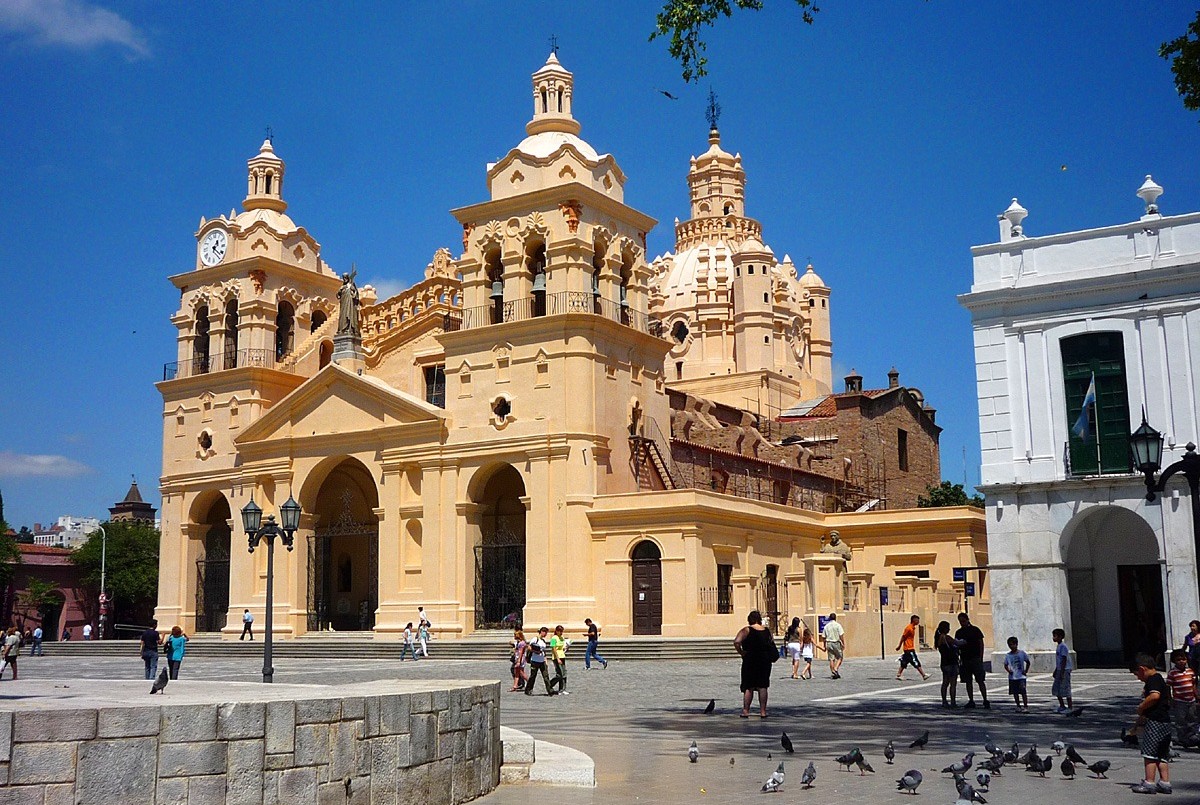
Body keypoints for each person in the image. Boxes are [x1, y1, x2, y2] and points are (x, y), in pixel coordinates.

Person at [1131, 652, 1173, 795]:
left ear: (1142, 669)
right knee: (1162, 754)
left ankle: (1149, 782)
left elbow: (1155, 696)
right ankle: (1165, 782)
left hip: (1155, 722)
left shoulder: (1153, 680)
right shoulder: (1160, 679)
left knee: (1150, 754)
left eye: (1137, 674)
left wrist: (1142, 706)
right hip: (1165, 722)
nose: (1138, 678)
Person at [734, 610, 778, 717]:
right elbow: (771, 643)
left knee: (749, 686)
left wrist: (741, 652)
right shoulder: (767, 631)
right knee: (763, 686)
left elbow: (736, 641)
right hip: (764, 660)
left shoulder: (746, 630)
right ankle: (763, 711)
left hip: (750, 659)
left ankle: (746, 711)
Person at [955, 612, 990, 709]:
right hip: (965, 659)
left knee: (980, 680)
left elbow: (981, 643)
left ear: (967, 620)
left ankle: (985, 700)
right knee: (968, 681)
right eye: (960, 621)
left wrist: (981, 657)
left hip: (975, 658)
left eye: (963, 621)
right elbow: (956, 645)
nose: (962, 623)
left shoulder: (975, 630)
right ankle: (971, 700)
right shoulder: (959, 632)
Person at [1167, 648, 1198, 741]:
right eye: (1178, 660)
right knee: (1181, 720)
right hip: (1179, 701)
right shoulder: (1172, 673)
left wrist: (1196, 695)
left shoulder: (1190, 671)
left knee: (1192, 718)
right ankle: (1182, 737)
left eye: (1183, 659)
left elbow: (1193, 684)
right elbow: (1168, 686)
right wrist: (1170, 699)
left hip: (1191, 700)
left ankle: (1192, 736)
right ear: (1174, 661)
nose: (1181, 662)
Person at [896, 615, 930, 681]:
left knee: (904, 662)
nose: (918, 622)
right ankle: (923, 675)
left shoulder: (913, 628)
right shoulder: (909, 628)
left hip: (908, 649)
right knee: (915, 661)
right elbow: (903, 637)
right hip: (909, 649)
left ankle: (898, 675)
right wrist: (899, 646)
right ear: (914, 620)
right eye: (917, 620)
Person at [524, 627, 557, 695]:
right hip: (535, 660)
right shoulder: (535, 639)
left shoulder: (543, 641)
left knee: (546, 676)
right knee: (533, 676)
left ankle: (550, 690)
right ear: (541, 631)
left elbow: (544, 651)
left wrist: (545, 659)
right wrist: (535, 651)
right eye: (545, 632)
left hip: (542, 661)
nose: (545, 634)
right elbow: (529, 647)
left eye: (546, 633)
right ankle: (528, 689)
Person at [934, 620, 960, 708]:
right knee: (953, 683)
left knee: (945, 682)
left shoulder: (938, 638)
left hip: (944, 662)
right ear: (945, 629)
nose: (949, 629)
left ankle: (944, 701)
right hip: (952, 662)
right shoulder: (946, 637)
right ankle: (953, 701)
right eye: (948, 627)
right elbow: (957, 643)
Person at [1003, 636, 1030, 712]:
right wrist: (1009, 671)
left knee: (1023, 691)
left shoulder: (1022, 653)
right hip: (1013, 677)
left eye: (1013, 644)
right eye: (1010, 645)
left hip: (1021, 676)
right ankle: (1018, 705)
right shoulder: (1008, 655)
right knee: (1015, 693)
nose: (1012, 646)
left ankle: (1025, 706)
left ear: (1016, 644)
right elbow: (1005, 664)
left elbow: (1028, 662)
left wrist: (1025, 671)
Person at [1052, 628, 1073, 713]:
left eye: (1055, 636)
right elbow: (1059, 660)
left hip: (1064, 670)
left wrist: (1062, 672)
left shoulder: (1063, 647)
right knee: (1057, 688)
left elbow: (1064, 659)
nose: (1053, 638)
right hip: (1060, 669)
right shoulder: (1059, 646)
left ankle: (1070, 707)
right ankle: (1062, 705)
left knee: (1066, 688)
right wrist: (1056, 670)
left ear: (1060, 637)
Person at [821, 612, 846, 679]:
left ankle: (833, 672)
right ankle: (835, 669)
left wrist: (824, 645)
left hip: (829, 643)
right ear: (835, 618)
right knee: (840, 657)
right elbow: (841, 635)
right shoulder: (838, 625)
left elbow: (823, 637)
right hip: (836, 642)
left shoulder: (826, 626)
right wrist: (843, 643)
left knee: (831, 659)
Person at [549, 625, 570, 694]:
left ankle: (562, 689)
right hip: (556, 657)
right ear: (556, 631)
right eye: (560, 631)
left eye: (562, 631)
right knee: (559, 674)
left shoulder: (562, 638)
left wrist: (566, 647)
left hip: (562, 656)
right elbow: (554, 648)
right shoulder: (554, 638)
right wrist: (557, 658)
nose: (561, 633)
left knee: (564, 673)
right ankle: (550, 684)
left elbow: (562, 647)